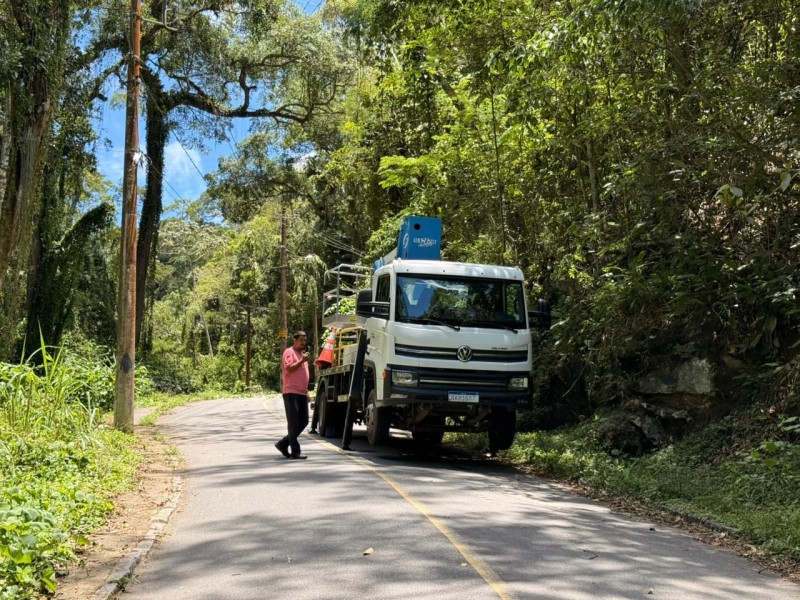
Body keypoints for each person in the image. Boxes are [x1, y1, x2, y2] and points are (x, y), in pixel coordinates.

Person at [275, 330, 310, 459]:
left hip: (301, 393)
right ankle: (295, 451)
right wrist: (302, 360)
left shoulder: (302, 355)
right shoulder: (289, 352)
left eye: (305, 340)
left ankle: (283, 443)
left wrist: (306, 392)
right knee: (294, 423)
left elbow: (303, 376)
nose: (303, 342)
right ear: (294, 340)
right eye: (301, 340)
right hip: (291, 392)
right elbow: (289, 368)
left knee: (304, 421)